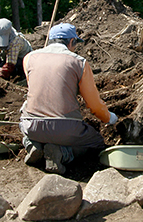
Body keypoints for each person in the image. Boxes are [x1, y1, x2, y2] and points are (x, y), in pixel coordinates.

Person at [19, 23, 117, 174]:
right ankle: (63, 153)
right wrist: (109, 118)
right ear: (71, 42)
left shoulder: (29, 58)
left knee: (22, 120)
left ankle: (33, 146)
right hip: (66, 128)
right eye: (75, 44)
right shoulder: (79, 62)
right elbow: (94, 105)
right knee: (96, 142)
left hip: (32, 125)